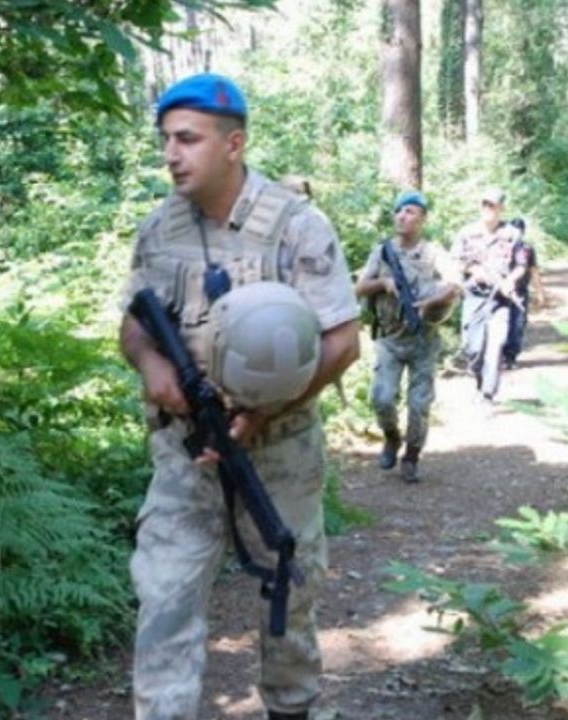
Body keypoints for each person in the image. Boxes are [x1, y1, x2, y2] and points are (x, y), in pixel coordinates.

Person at [118, 73, 360, 720]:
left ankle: (291, 708)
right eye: (167, 139)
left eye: (188, 139)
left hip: (278, 453)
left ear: (234, 143)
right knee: (164, 598)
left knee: (289, 594)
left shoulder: (296, 227)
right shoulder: (159, 229)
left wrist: (263, 412)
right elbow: (135, 325)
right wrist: (150, 366)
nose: (171, 153)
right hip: (183, 454)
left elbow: (342, 341)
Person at [355, 191, 459, 483]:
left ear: (423, 218)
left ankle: (412, 455)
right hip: (389, 338)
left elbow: (454, 286)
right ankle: (391, 437)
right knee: (382, 397)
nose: (403, 216)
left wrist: (430, 302)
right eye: (400, 211)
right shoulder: (383, 251)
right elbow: (359, 287)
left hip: (423, 339)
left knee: (419, 404)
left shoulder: (434, 251)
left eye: (411, 211)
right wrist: (384, 282)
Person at [454, 187, 523, 406]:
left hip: (500, 301)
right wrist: (476, 272)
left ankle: (487, 393)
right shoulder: (467, 232)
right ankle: (479, 378)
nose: (488, 209)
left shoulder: (513, 234)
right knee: (473, 348)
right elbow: (456, 261)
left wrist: (510, 280)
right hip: (474, 296)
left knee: (495, 346)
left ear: (501, 208)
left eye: (492, 205)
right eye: (485, 204)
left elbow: (521, 264)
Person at [501, 217, 547, 369]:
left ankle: (510, 356)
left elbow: (533, 271)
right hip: (500, 292)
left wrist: (540, 293)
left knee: (517, 324)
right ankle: (500, 355)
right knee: (504, 324)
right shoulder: (498, 246)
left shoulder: (526, 249)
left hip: (519, 291)